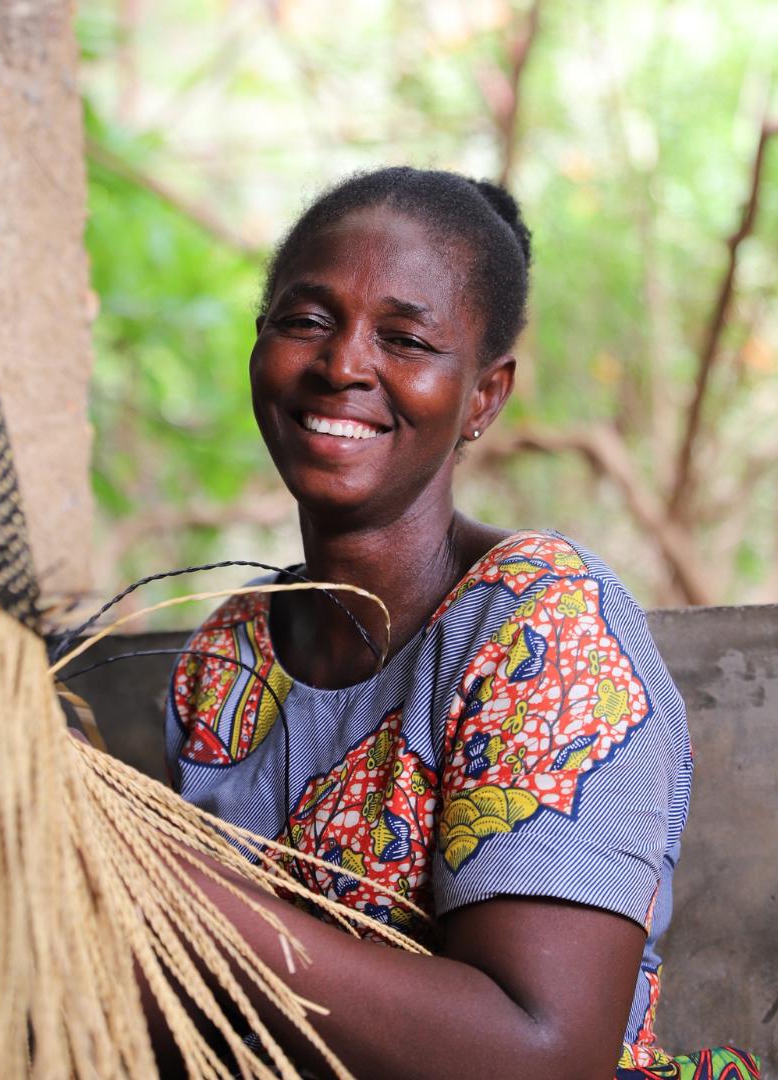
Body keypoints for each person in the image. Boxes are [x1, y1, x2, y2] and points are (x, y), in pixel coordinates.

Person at [164, 168, 760, 1079]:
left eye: (404, 338)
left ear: (483, 397)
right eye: (307, 320)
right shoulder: (231, 654)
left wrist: (166, 889)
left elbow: (544, 1054)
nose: (343, 365)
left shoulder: (542, 631)